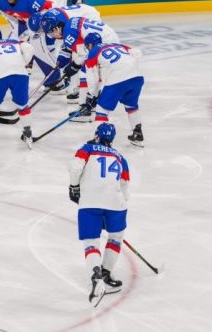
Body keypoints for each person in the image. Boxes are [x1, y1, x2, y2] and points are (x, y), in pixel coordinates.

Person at [69, 122, 129, 306]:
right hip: (116, 203)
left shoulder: (86, 149)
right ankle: (106, 273)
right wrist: (113, 207)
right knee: (116, 237)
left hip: (90, 202)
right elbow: (125, 185)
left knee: (91, 242)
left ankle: (96, 277)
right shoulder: (120, 158)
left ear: (96, 135)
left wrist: (74, 187)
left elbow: (75, 168)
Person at [41, 11, 120, 119]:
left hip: (106, 43)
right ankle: (92, 102)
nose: (52, 36)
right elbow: (71, 48)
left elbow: (84, 56)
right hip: (109, 39)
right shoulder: (69, 25)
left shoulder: (68, 33)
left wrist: (73, 66)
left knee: (85, 72)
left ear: (56, 28)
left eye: (51, 32)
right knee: (92, 72)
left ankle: (84, 108)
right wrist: (62, 61)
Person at [83, 33, 145, 147]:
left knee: (102, 109)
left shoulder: (92, 53)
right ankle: (137, 133)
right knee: (131, 105)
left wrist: (92, 96)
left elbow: (92, 80)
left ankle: (100, 140)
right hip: (137, 76)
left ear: (90, 45)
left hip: (118, 79)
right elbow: (137, 52)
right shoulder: (115, 45)